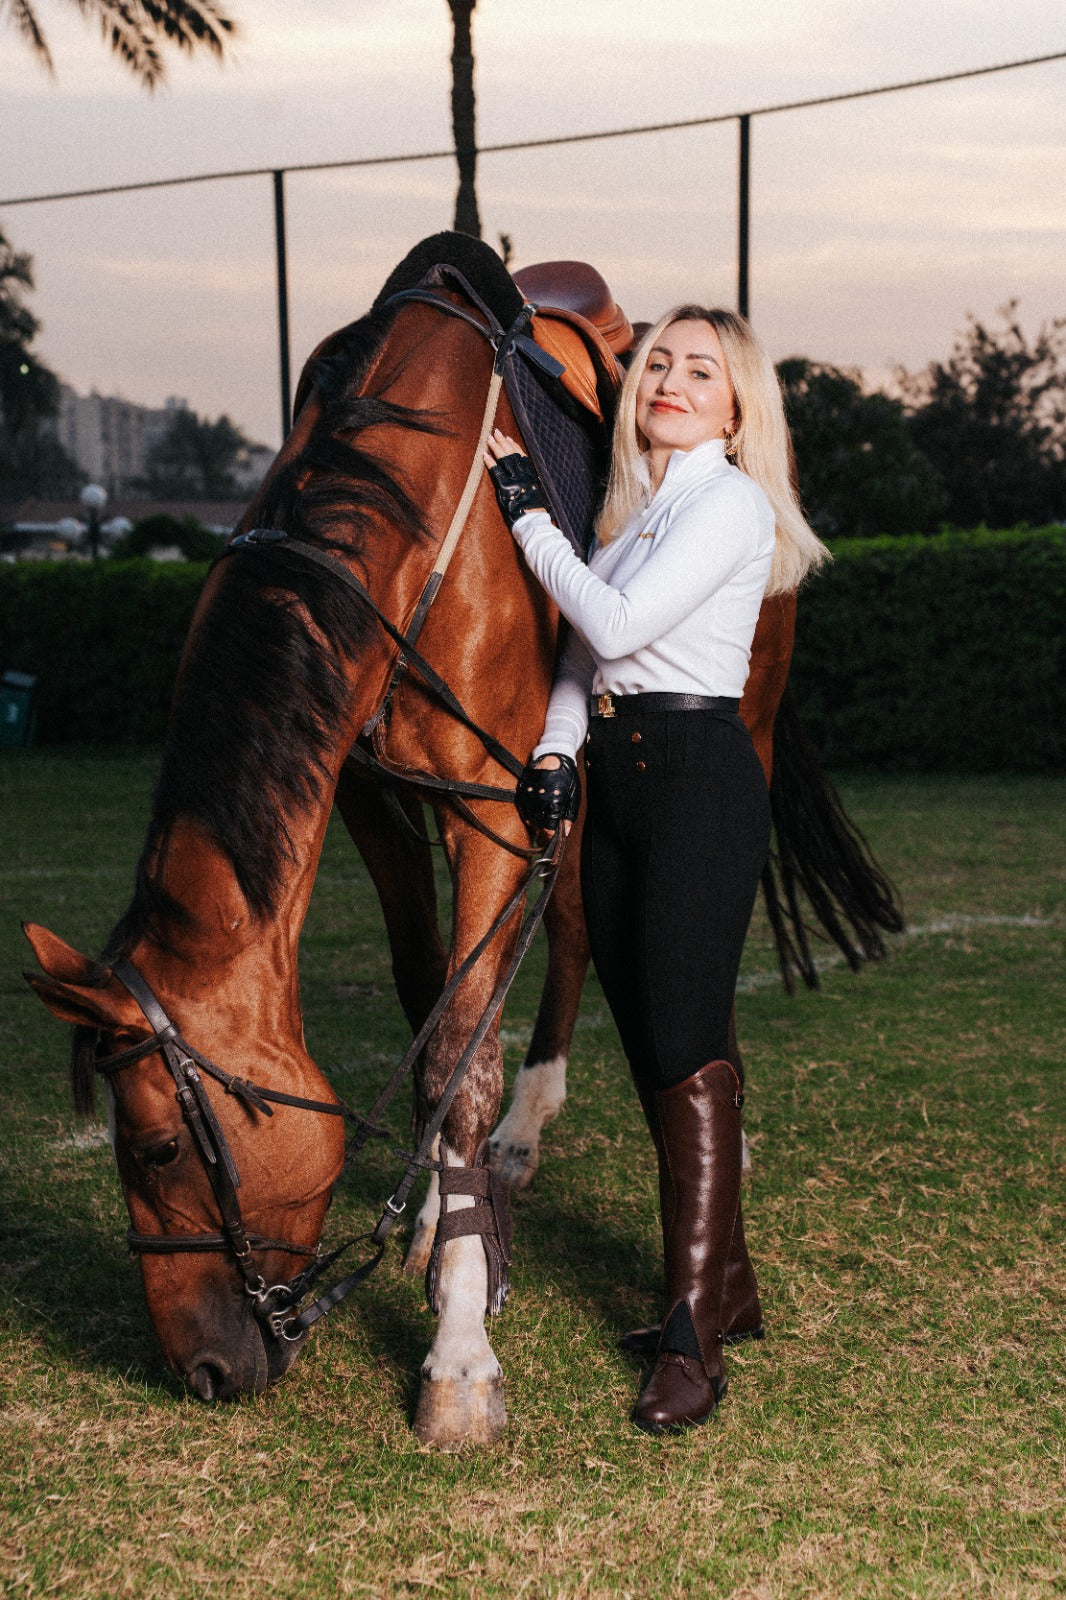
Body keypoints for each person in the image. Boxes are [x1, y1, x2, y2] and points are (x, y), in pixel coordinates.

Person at [485, 305, 828, 1435]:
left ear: (738, 409)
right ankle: (726, 1283)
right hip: (621, 783)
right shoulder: (637, 513)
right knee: (650, 1043)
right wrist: (549, 750)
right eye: (658, 365)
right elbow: (586, 661)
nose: (670, 381)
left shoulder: (729, 503)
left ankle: (692, 1335)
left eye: (700, 370)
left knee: (686, 1046)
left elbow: (617, 623)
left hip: (695, 784)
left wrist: (527, 514)